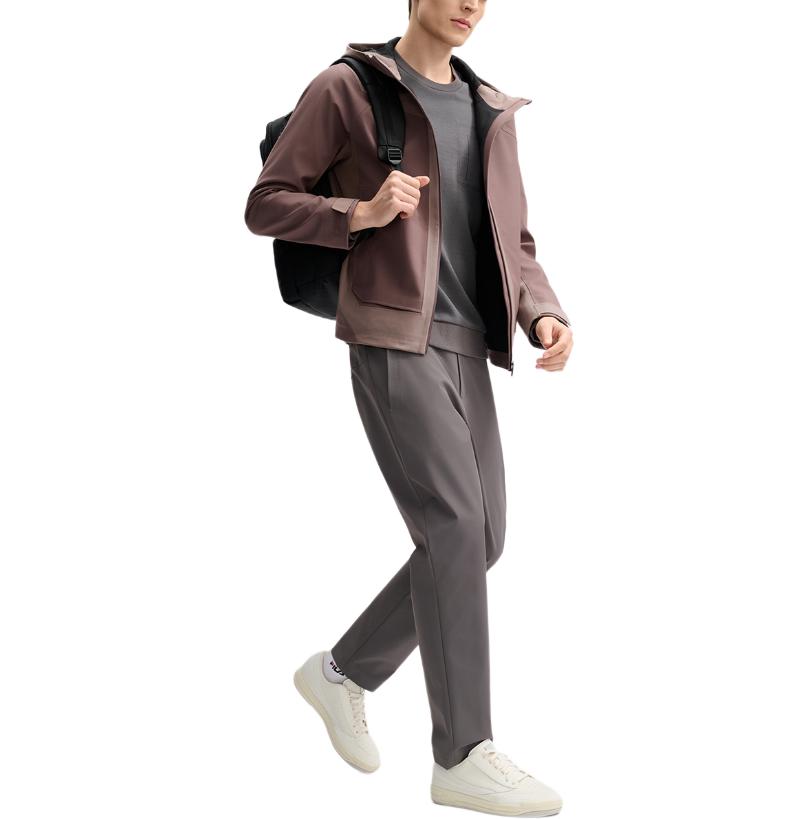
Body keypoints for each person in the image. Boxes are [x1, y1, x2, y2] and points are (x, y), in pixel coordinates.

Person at [245, 2, 573, 815]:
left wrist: (541, 312)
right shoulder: (349, 87)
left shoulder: (489, 108)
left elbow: (515, 241)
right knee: (454, 525)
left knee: (480, 537)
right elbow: (266, 202)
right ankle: (462, 751)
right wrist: (356, 212)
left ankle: (341, 672)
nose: (469, 5)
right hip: (392, 332)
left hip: (469, 343)